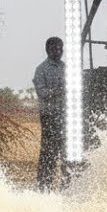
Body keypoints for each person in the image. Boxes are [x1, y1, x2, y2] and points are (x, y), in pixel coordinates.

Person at [33, 36, 68, 190]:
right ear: (48, 50)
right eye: (55, 49)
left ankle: (67, 185)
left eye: (60, 49)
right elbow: (42, 92)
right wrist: (58, 91)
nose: (58, 52)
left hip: (66, 116)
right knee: (48, 152)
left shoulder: (67, 68)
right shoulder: (41, 70)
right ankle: (44, 186)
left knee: (67, 152)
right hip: (49, 116)